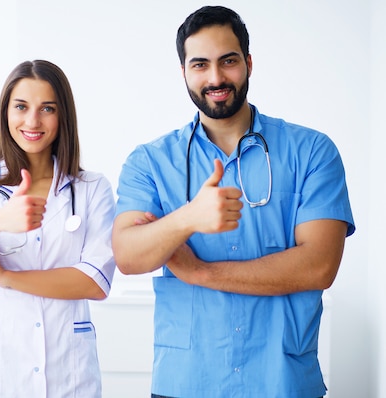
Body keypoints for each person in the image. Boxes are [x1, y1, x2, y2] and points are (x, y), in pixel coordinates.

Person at [111, 6, 355, 398]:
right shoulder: (150, 162)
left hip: (282, 382)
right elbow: (128, 255)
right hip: (187, 382)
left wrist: (200, 272)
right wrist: (188, 218)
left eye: (228, 61)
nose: (215, 78)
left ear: (249, 63)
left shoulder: (311, 152)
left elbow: (320, 266)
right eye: (200, 64)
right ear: (184, 72)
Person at [0, 59, 116, 397]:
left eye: (47, 108)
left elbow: (95, 281)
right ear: (5, 112)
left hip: (69, 374)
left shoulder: (92, 188)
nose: (32, 121)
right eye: (21, 107)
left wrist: (6, 278)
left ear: (62, 115)